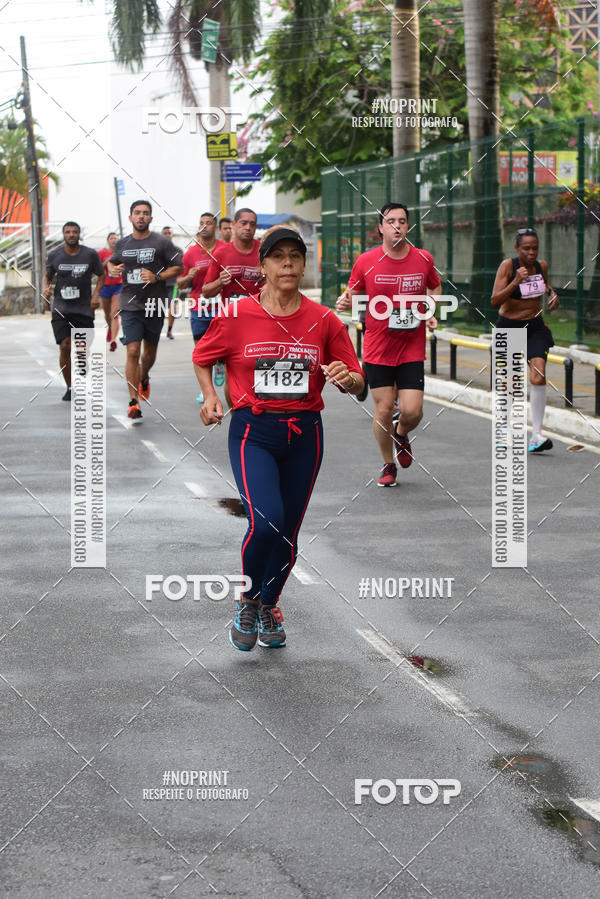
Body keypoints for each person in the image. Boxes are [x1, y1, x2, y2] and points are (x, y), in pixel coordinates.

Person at [193, 226, 364, 652]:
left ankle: (269, 603)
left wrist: (348, 378)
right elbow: (202, 356)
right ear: (264, 266)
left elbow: (359, 379)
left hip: (305, 435)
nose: (287, 263)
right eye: (278, 257)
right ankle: (249, 599)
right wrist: (212, 395)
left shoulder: (324, 320)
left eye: (295, 256)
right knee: (265, 519)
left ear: (304, 265)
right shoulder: (236, 315)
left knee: (287, 533)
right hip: (254, 430)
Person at [336, 203, 441, 486]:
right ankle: (387, 464)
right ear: (381, 228)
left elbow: (435, 286)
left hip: (411, 345)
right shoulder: (366, 261)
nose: (397, 226)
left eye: (403, 221)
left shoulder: (423, 259)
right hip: (378, 345)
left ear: (408, 227)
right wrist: (345, 301)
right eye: (391, 221)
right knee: (383, 409)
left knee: (412, 411)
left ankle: (402, 433)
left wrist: (430, 309)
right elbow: (352, 293)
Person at [108, 200, 183, 420]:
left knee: (149, 353)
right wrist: (112, 269)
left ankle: (145, 375)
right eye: (137, 213)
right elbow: (111, 264)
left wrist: (157, 276)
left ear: (150, 218)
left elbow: (179, 267)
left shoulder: (161, 242)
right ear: (130, 217)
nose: (141, 216)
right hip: (130, 303)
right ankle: (133, 401)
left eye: (145, 213)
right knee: (132, 351)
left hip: (155, 303)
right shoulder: (122, 244)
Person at [491, 227, 559, 453]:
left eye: (535, 248)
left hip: (535, 327)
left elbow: (545, 284)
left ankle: (537, 435)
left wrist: (552, 294)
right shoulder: (508, 266)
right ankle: (503, 429)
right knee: (509, 384)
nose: (531, 253)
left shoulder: (541, 266)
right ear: (517, 248)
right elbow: (494, 300)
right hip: (509, 327)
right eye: (526, 248)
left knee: (538, 376)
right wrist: (515, 281)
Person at [203, 208, 264, 392]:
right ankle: (236, 413)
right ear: (234, 225)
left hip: (259, 319)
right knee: (235, 371)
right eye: (243, 223)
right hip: (232, 320)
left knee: (256, 367)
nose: (248, 227)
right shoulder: (221, 253)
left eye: (252, 224)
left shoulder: (263, 251)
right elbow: (206, 291)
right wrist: (220, 282)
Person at [43, 221, 105, 401]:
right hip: (61, 309)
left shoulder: (90, 254)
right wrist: (46, 288)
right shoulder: (55, 255)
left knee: (82, 348)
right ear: (63, 235)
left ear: (79, 234)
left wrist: (96, 296)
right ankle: (70, 387)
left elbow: (102, 275)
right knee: (64, 346)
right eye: (68, 232)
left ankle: (82, 359)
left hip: (84, 309)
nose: (71, 235)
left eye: (74, 232)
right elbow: (47, 276)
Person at [177, 212, 223, 403]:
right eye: (201, 223)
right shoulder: (190, 254)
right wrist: (188, 277)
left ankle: (220, 363)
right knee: (201, 351)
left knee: (222, 347)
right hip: (199, 307)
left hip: (222, 306)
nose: (204, 226)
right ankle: (206, 391)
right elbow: (180, 283)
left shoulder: (224, 249)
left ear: (216, 227)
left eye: (209, 223)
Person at [98, 232, 121, 351]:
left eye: (116, 238)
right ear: (108, 241)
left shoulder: (120, 253)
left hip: (119, 286)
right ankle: (110, 329)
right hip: (105, 286)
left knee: (115, 313)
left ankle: (113, 339)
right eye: (112, 238)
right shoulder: (101, 253)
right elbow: (96, 269)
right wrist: (107, 262)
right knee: (108, 314)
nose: (114, 240)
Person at [160, 226, 182, 339]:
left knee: (173, 306)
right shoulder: (157, 250)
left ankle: (169, 330)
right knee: (157, 309)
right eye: (165, 233)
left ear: (172, 235)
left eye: (169, 233)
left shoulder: (178, 251)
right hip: (159, 284)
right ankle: (156, 329)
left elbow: (183, 268)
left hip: (173, 284)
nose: (167, 235)